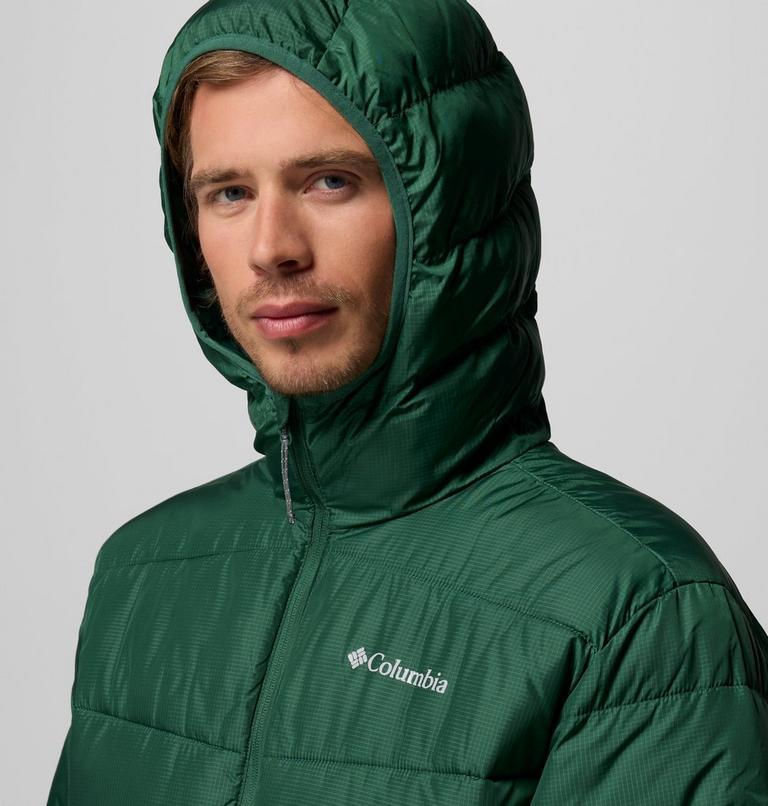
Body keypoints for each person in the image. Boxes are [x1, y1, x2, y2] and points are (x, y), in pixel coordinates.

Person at [48, 0, 768, 803]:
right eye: (229, 193)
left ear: (449, 210)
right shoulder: (141, 575)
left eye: (330, 181)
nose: (271, 248)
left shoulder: (636, 613)